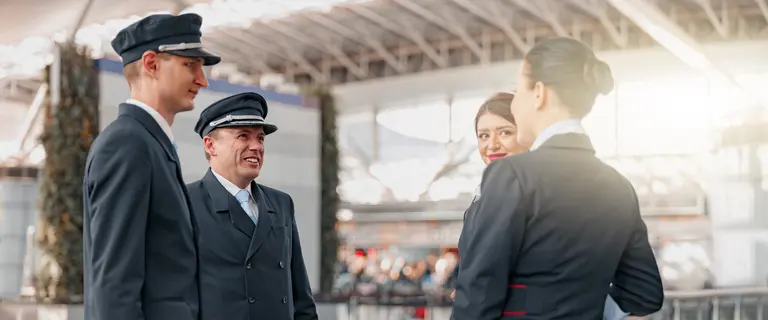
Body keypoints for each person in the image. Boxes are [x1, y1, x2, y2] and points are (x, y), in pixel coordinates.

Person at [451, 37, 664, 320]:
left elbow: (478, 296)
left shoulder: (512, 175)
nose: (515, 106)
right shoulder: (619, 186)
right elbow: (645, 295)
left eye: (519, 92)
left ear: (538, 93)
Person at [82, 13, 219, 320]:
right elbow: (114, 287)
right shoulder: (129, 146)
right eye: (190, 64)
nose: (202, 79)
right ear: (151, 64)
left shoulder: (149, 144)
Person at [187, 92, 318, 320]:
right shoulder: (185, 202)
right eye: (243, 136)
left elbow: (301, 296)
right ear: (210, 145)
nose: (256, 146)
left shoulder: (281, 203)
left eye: (260, 138)